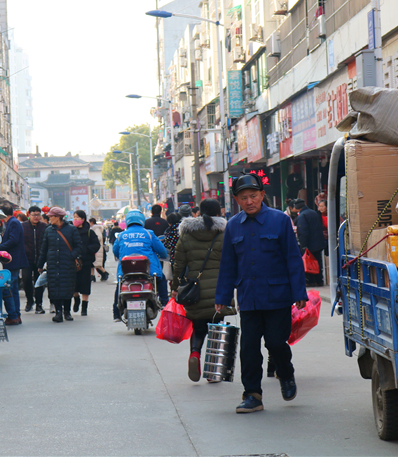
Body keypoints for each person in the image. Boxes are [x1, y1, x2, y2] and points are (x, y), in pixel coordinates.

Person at [215, 172, 308, 414]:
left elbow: (293, 259)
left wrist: (299, 291)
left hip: (278, 296)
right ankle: (252, 394)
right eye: (244, 197)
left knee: (276, 343)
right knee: (248, 347)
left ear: (262, 195)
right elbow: (227, 264)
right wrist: (222, 297)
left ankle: (286, 373)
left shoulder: (280, 221)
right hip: (248, 297)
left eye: (253, 196)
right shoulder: (233, 225)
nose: (249, 201)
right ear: (237, 200)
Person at [171, 199, 235, 382]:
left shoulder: (186, 233)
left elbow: (179, 264)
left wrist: (175, 288)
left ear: (198, 212)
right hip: (220, 290)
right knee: (217, 327)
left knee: (198, 328)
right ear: (219, 212)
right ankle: (214, 372)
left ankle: (194, 354)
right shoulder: (225, 232)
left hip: (195, 290)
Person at [112, 210, 168, 321]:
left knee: (120, 285)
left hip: (125, 271)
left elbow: (115, 252)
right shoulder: (149, 234)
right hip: (149, 271)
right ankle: (165, 304)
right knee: (162, 280)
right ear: (141, 220)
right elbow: (162, 251)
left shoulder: (122, 235)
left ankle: (116, 313)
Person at [37, 207, 82, 323]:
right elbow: (44, 248)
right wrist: (40, 264)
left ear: (58, 217)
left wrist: (71, 256)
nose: (49, 218)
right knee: (54, 288)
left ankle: (67, 311)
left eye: (51, 216)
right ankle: (58, 312)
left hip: (67, 264)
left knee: (67, 287)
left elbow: (79, 246)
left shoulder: (71, 229)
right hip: (52, 264)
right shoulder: (48, 230)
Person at [0, 204, 29, 325]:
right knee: (13, 289)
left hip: (13, 260)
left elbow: (13, 240)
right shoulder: (11, 222)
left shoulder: (14, 223)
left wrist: (0, 247)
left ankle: (13, 315)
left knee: (8, 289)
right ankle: (15, 315)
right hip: (13, 260)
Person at [291, 199, 326, 287]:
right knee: (317, 262)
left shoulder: (302, 216)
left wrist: (303, 245)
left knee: (308, 263)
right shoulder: (313, 213)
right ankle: (319, 280)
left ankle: (310, 281)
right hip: (318, 243)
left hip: (310, 244)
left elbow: (303, 232)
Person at [72, 210, 100, 316]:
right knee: (74, 285)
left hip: (86, 262)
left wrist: (86, 250)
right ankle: (76, 299)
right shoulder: (71, 231)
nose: (75, 219)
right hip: (73, 262)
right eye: (74, 217)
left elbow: (96, 245)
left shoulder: (89, 232)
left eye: (77, 217)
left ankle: (84, 307)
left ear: (83, 219)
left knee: (85, 285)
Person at [21, 206, 47, 314]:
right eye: (34, 215)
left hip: (40, 259)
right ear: (29, 215)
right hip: (27, 259)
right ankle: (29, 301)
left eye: (38, 215)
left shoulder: (45, 227)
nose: (36, 217)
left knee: (39, 282)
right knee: (26, 279)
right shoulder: (23, 227)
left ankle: (39, 304)